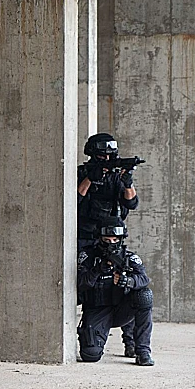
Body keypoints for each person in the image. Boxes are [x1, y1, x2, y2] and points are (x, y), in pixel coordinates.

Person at [77, 133, 140, 357]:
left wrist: (127, 182)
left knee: (125, 283)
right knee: (90, 282)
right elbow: (73, 200)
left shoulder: (115, 177)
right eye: (101, 154)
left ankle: (131, 341)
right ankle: (90, 326)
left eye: (109, 154)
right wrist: (90, 179)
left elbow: (131, 203)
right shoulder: (83, 173)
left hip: (112, 237)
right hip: (87, 237)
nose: (106, 158)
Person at [77, 217, 154, 366]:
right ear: (99, 238)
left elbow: (144, 279)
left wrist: (128, 281)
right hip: (97, 309)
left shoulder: (128, 257)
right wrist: (97, 270)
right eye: (107, 240)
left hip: (122, 310)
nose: (111, 244)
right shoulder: (88, 256)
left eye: (115, 240)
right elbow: (79, 284)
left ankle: (142, 351)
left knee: (144, 296)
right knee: (90, 355)